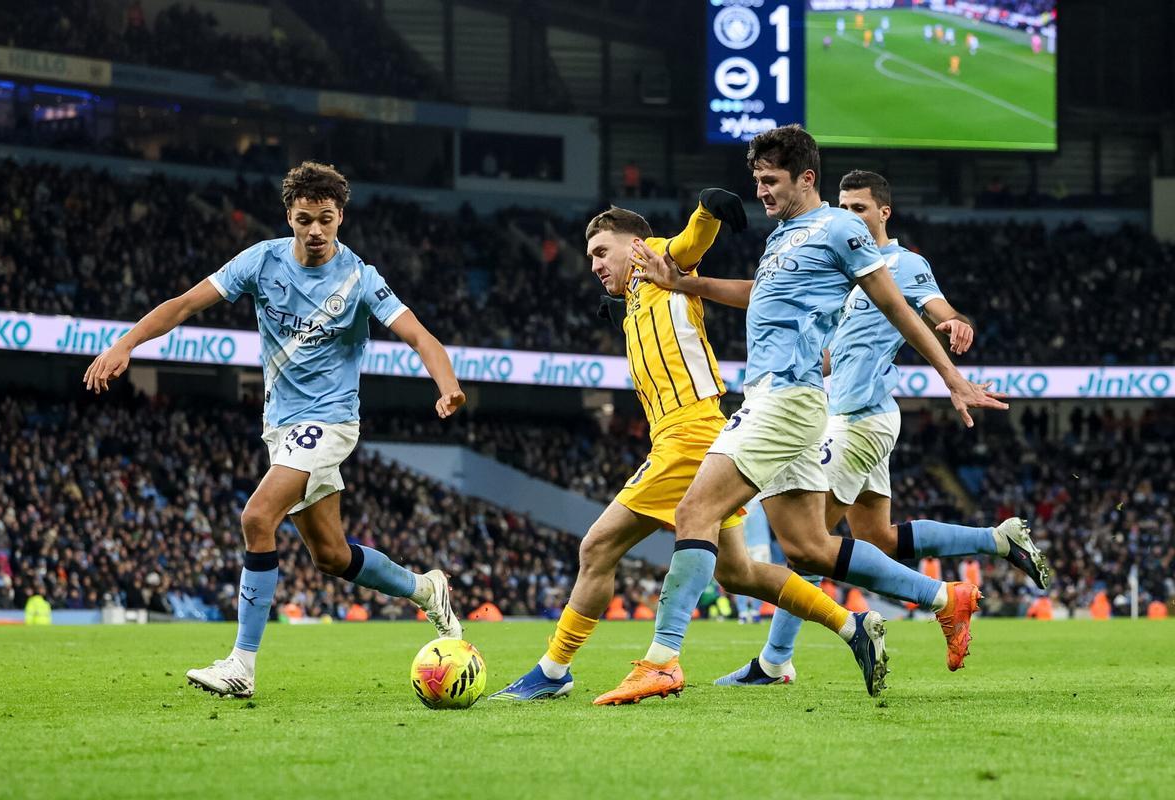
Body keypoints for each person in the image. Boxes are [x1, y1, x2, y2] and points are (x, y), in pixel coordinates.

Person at [599, 126, 1007, 705]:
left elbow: (895, 305)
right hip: (783, 401)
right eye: (757, 180)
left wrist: (951, 376)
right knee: (809, 548)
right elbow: (757, 293)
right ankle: (945, 598)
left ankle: (661, 662)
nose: (761, 191)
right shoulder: (784, 235)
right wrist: (686, 283)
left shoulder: (841, 228)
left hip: (784, 399)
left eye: (771, 180)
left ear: (806, 177)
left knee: (695, 511)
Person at [82, 161, 467, 698]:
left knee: (257, 517)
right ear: (289, 216)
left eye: (326, 219)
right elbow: (185, 304)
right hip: (281, 426)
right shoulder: (261, 261)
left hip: (330, 421)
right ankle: (426, 589)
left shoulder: (360, 278)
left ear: (340, 217)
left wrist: (446, 385)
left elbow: (421, 337)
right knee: (331, 555)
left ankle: (241, 665)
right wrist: (125, 344)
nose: (316, 230)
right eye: (305, 219)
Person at [491, 190, 890, 704]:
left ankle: (554, 670)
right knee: (738, 573)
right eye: (590, 257)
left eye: (601, 252)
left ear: (635, 245)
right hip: (696, 435)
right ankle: (853, 626)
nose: (593, 265)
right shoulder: (636, 302)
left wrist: (706, 210)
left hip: (688, 436)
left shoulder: (658, 258)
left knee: (597, 547)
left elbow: (688, 245)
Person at [712, 170, 1051, 686]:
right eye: (843, 207)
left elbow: (940, 309)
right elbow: (837, 350)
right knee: (877, 538)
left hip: (858, 420)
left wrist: (956, 324)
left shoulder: (903, 264)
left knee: (810, 541)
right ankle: (997, 539)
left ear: (883, 212)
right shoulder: (841, 267)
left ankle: (775, 660)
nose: (849, 216)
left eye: (860, 208)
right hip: (850, 414)